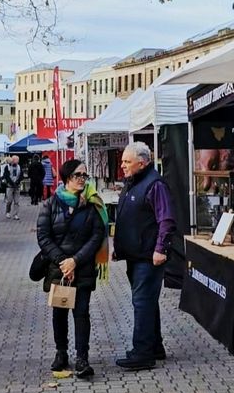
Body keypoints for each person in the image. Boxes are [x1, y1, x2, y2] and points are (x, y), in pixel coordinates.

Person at [36, 159, 107, 378]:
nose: (83, 180)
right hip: (58, 268)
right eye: (79, 175)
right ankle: (61, 352)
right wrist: (63, 261)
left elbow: (97, 236)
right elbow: (44, 237)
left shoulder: (92, 204)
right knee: (59, 312)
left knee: (82, 312)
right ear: (67, 178)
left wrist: (75, 261)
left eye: (85, 176)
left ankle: (82, 358)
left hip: (82, 266)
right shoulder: (50, 204)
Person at [113, 141, 177, 371]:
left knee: (142, 302)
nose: (122, 165)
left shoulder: (155, 185)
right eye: (122, 161)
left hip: (149, 257)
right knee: (147, 302)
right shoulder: (134, 182)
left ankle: (142, 353)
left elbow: (166, 220)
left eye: (127, 162)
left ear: (142, 162)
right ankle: (155, 346)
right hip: (135, 255)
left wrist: (161, 249)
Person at [3, 156, 22, 220]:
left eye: (17, 160)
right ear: (12, 160)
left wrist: (17, 182)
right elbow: (6, 176)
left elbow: (21, 176)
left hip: (17, 186)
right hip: (9, 186)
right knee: (9, 200)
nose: (16, 162)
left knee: (17, 201)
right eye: (15, 160)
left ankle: (16, 214)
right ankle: (8, 212)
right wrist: (11, 183)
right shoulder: (7, 167)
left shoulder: (19, 167)